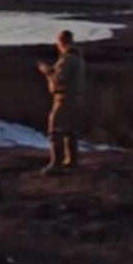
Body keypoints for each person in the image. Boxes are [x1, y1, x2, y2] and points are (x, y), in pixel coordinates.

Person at [37, 29, 85, 175]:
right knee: (70, 130)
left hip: (65, 99)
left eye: (58, 42)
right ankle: (72, 161)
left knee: (55, 129)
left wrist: (46, 71)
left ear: (61, 42)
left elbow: (59, 79)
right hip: (75, 98)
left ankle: (56, 164)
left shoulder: (68, 59)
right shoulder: (77, 58)